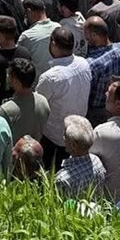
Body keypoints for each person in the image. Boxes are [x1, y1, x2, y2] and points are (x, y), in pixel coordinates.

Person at [36, 28, 92, 169]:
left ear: (53, 44)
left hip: (55, 138)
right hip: (79, 131)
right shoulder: (84, 63)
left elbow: (38, 106)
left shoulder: (50, 77)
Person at [0, 58, 50, 143]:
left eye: (9, 75)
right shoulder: (43, 102)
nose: (7, 76)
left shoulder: (6, 110)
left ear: (17, 82)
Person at [55, 115, 107, 199]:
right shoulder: (96, 160)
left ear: (74, 145)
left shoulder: (62, 179)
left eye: (65, 135)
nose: (63, 138)